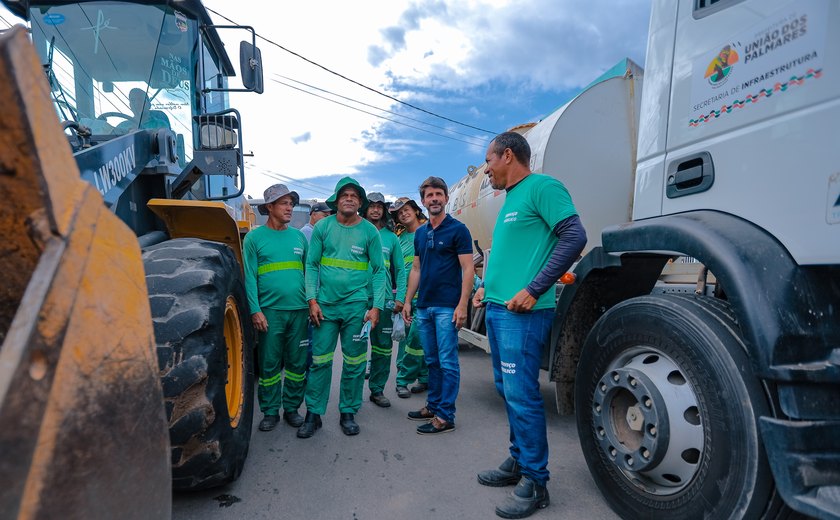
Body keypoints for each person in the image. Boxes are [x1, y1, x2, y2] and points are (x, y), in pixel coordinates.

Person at [473, 131, 586, 519]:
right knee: (508, 390)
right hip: (498, 308)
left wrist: (535, 289)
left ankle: (537, 483)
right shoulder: (508, 201)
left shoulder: (542, 187)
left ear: (507, 155)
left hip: (523, 313)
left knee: (522, 395)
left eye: (488, 160)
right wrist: (484, 288)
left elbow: (575, 237)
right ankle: (519, 460)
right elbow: (509, 255)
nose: (485, 169)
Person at [297, 177, 385, 438]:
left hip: (356, 308)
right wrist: (311, 300)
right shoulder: (323, 227)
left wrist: (377, 306)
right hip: (324, 307)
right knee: (320, 361)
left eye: (354, 195)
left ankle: (348, 411)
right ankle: (314, 413)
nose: (349, 198)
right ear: (336, 201)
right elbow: (311, 266)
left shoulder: (370, 231)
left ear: (360, 202)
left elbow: (379, 271)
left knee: (355, 362)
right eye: (344, 195)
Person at [402, 176, 474, 435]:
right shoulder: (420, 233)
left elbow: (467, 269)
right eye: (429, 195)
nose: (434, 199)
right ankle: (433, 406)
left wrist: (462, 305)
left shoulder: (458, 230)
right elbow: (417, 268)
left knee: (447, 361)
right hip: (425, 306)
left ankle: (446, 416)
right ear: (423, 201)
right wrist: (409, 301)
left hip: (446, 307)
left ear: (446, 198)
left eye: (438, 194)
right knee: (431, 360)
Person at [243, 184, 309, 432]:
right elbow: (249, 276)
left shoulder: (299, 237)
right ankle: (270, 411)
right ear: (269, 207)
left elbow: (308, 273)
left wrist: (312, 302)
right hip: (270, 312)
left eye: (291, 203)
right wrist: (255, 310)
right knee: (269, 365)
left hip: (299, 311)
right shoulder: (254, 238)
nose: (289, 207)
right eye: (284, 203)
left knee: (296, 363)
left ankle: (292, 408)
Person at [363, 193, 407, 408]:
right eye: (371, 206)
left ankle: (377, 390)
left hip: (386, 299)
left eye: (379, 206)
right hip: (360, 298)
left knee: (382, 348)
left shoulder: (391, 238)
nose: (375, 210)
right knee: (355, 350)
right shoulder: (357, 231)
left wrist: (400, 298)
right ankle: (351, 398)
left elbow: (400, 270)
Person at [391, 197, 429, 399]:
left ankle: (423, 377)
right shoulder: (399, 239)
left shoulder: (428, 232)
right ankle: (403, 379)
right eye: (399, 212)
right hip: (407, 297)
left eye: (407, 210)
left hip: (426, 295)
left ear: (416, 211)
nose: (404, 214)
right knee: (407, 340)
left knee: (421, 340)